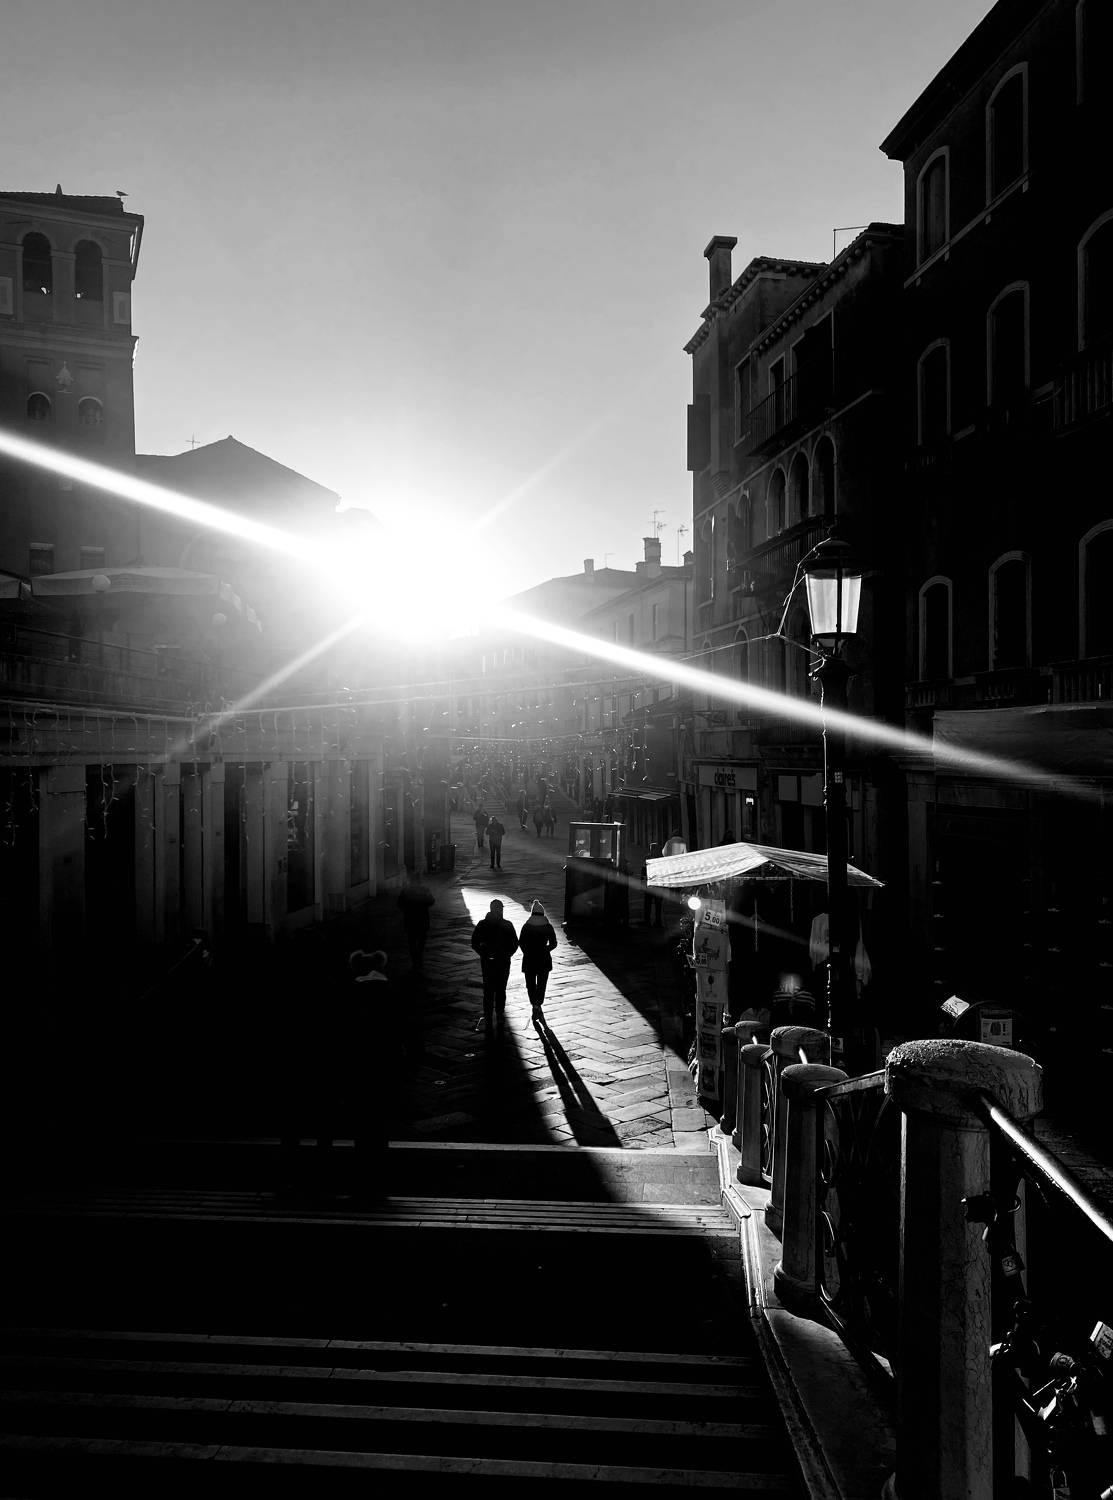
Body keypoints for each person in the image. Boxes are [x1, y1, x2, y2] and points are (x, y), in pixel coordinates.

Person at [470, 898, 519, 1034]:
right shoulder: (507, 924)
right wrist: (506, 954)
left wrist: (484, 954)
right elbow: (515, 944)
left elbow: (474, 943)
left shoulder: (482, 924)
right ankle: (499, 1014)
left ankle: (490, 1015)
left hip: (489, 962)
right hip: (502, 962)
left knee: (489, 990)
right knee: (500, 989)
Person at [519, 898, 558, 1023]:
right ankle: (538, 1004)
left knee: (530, 985)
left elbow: (521, 943)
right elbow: (554, 943)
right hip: (544, 960)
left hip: (529, 959)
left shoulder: (526, 926)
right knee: (542, 984)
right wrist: (545, 950)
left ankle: (534, 1004)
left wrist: (528, 952)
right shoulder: (548, 926)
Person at [397, 872, 435, 970]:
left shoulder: (405, 891)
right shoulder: (424, 890)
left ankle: (415, 960)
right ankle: (419, 957)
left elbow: (399, 904)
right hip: (422, 919)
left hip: (410, 920)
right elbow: (431, 901)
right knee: (421, 941)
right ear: (419, 881)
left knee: (411, 942)